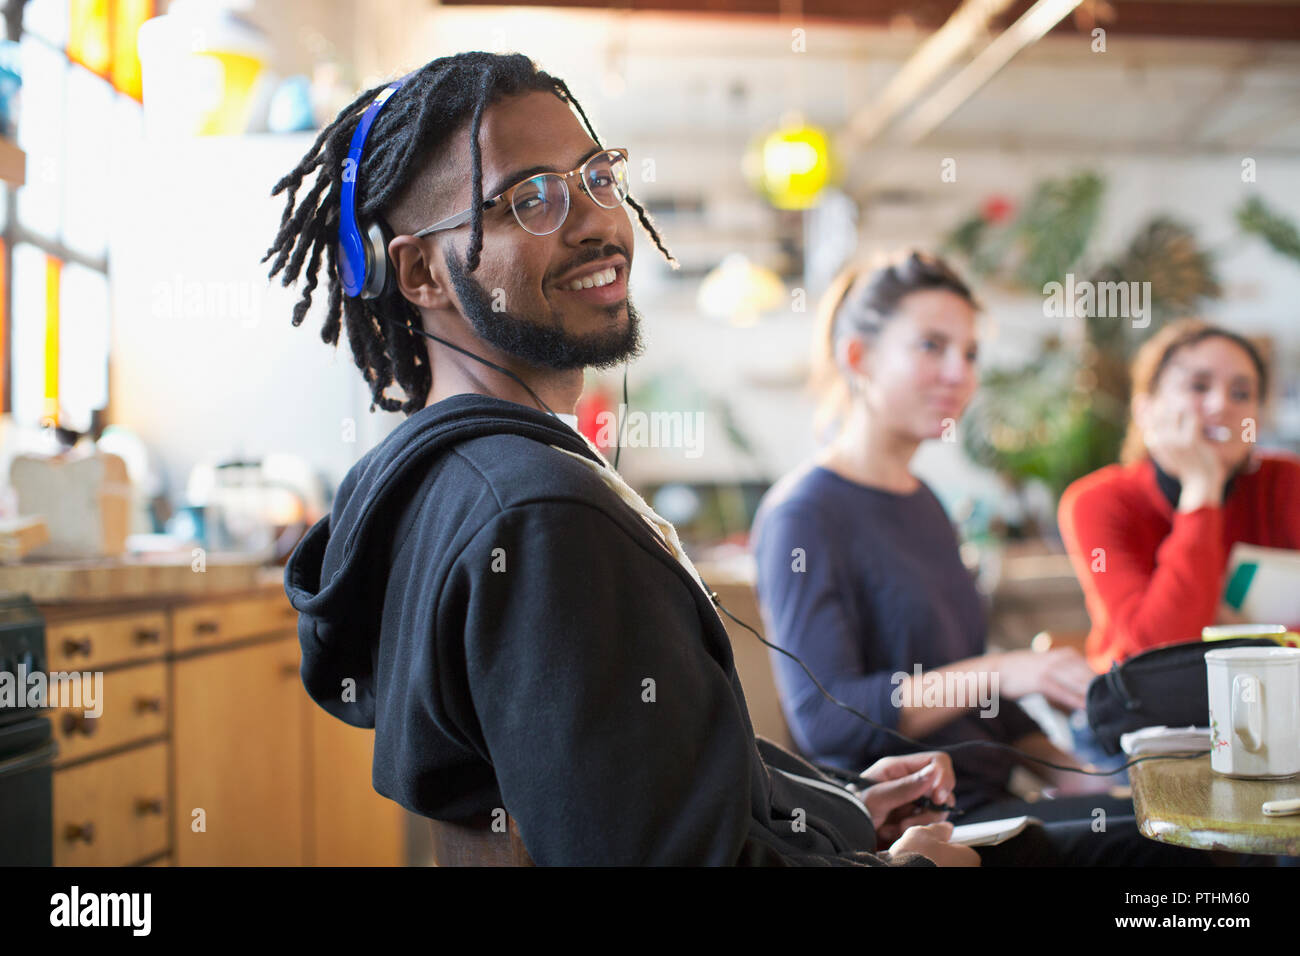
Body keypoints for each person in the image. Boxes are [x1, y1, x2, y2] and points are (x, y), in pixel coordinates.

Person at [268, 52, 1202, 866]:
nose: (598, 221)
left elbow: (631, 789)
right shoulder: (539, 514)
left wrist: (834, 806)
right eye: (531, 198)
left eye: (596, 177)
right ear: (422, 274)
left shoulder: (466, 486)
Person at [751, 251, 1135, 825]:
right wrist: (1004, 670)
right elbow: (826, 719)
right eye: (932, 346)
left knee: (1187, 826)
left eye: (971, 353)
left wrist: (1084, 777)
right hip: (915, 832)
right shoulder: (803, 514)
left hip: (997, 807)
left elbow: (971, 700)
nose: (960, 373)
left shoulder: (924, 501)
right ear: (860, 358)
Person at [1059, 319, 1300, 673]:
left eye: (1241, 393)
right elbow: (1159, 652)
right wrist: (1202, 490)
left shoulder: (1287, 482)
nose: (1220, 405)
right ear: (1145, 410)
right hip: (1143, 713)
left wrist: (1248, 639)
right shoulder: (1096, 502)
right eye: (1198, 386)